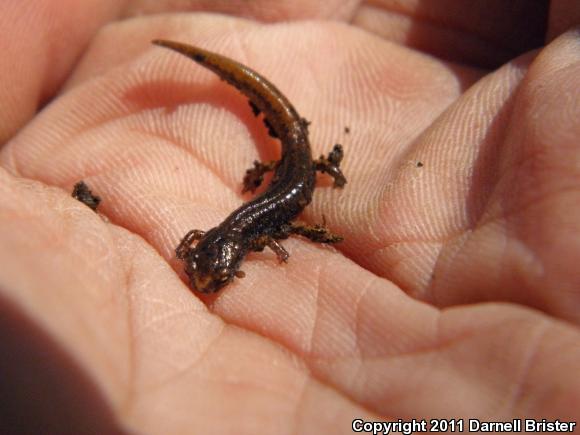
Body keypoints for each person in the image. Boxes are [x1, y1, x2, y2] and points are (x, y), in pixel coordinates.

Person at [0, 2, 578, 433]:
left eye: (212, 272)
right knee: (281, 178)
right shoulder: (238, 233)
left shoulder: (248, 230)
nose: (209, 277)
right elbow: (245, 232)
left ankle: (281, 140)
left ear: (228, 252)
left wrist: (277, 219)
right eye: (209, 271)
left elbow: (280, 226)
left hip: (299, 167)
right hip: (286, 173)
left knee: (289, 171)